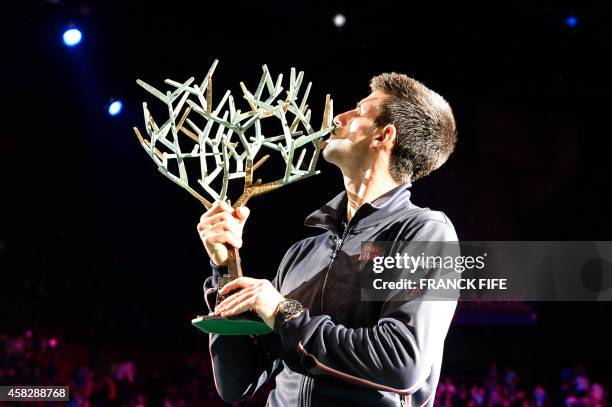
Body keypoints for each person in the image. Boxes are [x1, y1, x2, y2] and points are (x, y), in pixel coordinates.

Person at [197, 72, 459, 407]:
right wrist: (226, 267)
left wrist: (283, 312)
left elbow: (402, 361)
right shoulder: (303, 253)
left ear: (384, 135)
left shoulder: (423, 233)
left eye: (359, 112)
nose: (339, 117)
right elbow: (238, 384)